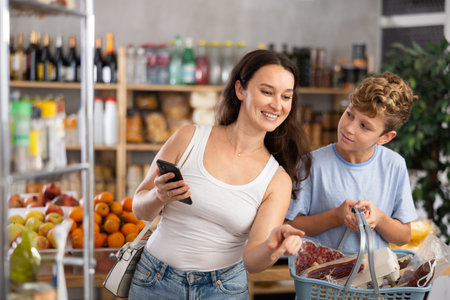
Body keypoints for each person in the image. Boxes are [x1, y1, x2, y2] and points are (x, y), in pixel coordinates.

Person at [129, 49, 312, 299]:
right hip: (155, 281)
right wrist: (158, 196)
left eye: (286, 96)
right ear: (240, 90)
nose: (277, 105)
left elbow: (252, 261)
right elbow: (139, 209)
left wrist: (275, 245)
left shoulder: (277, 180)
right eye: (267, 92)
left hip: (222, 290)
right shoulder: (188, 138)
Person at [286, 71, 418, 252]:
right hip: (319, 277)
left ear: (385, 137)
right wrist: (335, 217)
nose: (349, 128)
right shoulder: (311, 163)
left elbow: (404, 236)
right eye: (349, 114)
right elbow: (290, 226)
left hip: (374, 279)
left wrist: (379, 218)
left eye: (364, 126)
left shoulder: (394, 166)